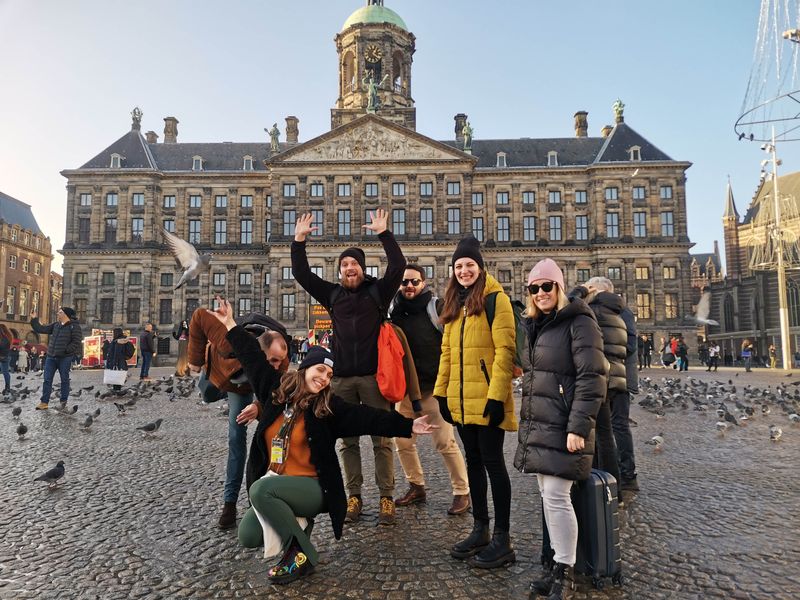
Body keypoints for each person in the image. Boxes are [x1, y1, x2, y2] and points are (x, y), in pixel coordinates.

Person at [207, 298, 437, 585]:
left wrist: (407, 424)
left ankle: (302, 554)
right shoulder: (275, 391)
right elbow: (252, 357)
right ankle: (298, 525)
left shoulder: (329, 409)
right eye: (320, 371)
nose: (325, 378)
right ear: (305, 369)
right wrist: (229, 324)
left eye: (329, 375)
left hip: (313, 487)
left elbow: (369, 417)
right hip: (279, 481)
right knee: (249, 535)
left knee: (261, 490)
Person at [291, 209, 405, 526]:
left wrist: (384, 233)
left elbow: (398, 266)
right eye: (344, 265)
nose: (349, 268)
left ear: (362, 268)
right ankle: (354, 496)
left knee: (382, 441)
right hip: (340, 380)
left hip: (372, 378)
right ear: (339, 271)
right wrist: (299, 240)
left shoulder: (377, 292)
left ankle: (386, 498)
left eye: (353, 264)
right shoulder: (332, 295)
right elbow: (302, 274)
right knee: (348, 443)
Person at [514, 259, 607, 600]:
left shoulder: (580, 321)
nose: (540, 293)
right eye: (534, 288)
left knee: (556, 497)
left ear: (559, 287)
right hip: (543, 423)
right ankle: (556, 566)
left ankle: (566, 572)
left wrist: (579, 427)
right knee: (549, 497)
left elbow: (592, 377)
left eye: (547, 286)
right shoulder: (539, 324)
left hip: (567, 425)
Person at [434, 236, 518, 569]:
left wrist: (497, 396)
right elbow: (447, 354)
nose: (464, 270)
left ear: (480, 268)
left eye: (470, 265)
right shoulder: (452, 303)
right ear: (453, 271)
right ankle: (480, 528)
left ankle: (503, 537)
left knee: (494, 463)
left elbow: (505, 352)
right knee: (473, 462)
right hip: (461, 399)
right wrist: (441, 392)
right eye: (459, 266)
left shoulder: (497, 300)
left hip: (487, 399)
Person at [187, 306, 290, 529]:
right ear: (255, 352)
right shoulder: (228, 342)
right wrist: (194, 359)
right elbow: (198, 316)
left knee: (241, 435)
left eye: (278, 362)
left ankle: (231, 504)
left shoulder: (281, 362)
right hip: (228, 375)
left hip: (243, 388)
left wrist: (258, 406)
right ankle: (212, 382)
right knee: (208, 393)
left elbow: (278, 392)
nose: (275, 366)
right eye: (271, 361)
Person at [389, 264, 470, 515]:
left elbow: (456, 343)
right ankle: (416, 486)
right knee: (402, 442)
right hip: (405, 390)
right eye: (405, 282)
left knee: (445, 442)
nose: (409, 286)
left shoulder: (437, 307)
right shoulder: (394, 311)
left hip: (434, 389)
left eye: (414, 281)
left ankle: (462, 492)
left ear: (423, 283)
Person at [568, 277, 624, 496]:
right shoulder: (617, 313)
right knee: (604, 436)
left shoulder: (594, 313)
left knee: (589, 435)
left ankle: (594, 488)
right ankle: (612, 488)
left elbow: (567, 307)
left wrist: (579, 291)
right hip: (611, 380)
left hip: (595, 379)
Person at [30, 308, 83, 410]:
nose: (58, 313)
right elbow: (41, 329)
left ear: (66, 314)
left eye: (60, 312)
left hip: (65, 358)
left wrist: (67, 350)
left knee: (64, 379)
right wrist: (34, 319)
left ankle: (63, 402)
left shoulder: (74, 326)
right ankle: (44, 402)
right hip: (51, 356)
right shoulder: (56, 325)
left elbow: (76, 342)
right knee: (47, 379)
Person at [0, 324, 12, 394]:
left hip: (4, 357)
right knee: (5, 373)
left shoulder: (4, 339)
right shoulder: (6, 337)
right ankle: (7, 388)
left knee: (5, 373)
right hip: (4, 357)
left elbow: (2, 348)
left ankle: (7, 388)